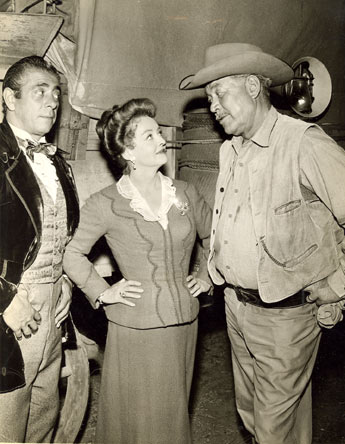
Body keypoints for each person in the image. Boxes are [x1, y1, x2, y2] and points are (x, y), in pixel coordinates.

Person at [179, 42, 345, 444]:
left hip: (287, 315)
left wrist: (339, 284)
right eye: (209, 98)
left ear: (254, 87)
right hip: (237, 308)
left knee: (273, 428)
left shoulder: (303, 143)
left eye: (220, 93)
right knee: (256, 415)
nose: (213, 106)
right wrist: (214, 267)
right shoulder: (230, 150)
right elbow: (231, 222)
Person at [63, 98, 212, 444]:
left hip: (186, 322)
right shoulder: (106, 203)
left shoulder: (185, 192)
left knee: (173, 411)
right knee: (145, 421)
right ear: (128, 152)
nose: (161, 140)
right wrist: (102, 290)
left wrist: (206, 274)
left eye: (159, 132)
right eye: (149, 136)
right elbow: (71, 253)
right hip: (136, 326)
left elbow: (214, 236)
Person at [0, 55, 79, 442]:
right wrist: (4, 299)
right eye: (40, 91)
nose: (52, 101)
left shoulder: (57, 162)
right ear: (9, 98)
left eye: (56, 93)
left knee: (43, 419)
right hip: (12, 311)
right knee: (6, 424)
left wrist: (63, 280)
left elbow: (61, 234)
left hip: (52, 311)